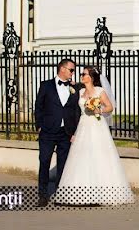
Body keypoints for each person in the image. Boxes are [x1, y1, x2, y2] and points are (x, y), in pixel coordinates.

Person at [54, 66, 135, 205]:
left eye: (84, 74)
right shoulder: (79, 92)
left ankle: (101, 193)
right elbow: (73, 111)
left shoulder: (99, 91)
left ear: (91, 77)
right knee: (81, 157)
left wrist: (99, 109)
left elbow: (110, 106)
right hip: (83, 126)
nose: (81, 76)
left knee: (99, 156)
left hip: (97, 126)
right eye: (81, 74)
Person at [34, 58, 81, 206]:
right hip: (47, 131)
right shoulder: (46, 85)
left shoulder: (75, 89)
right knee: (44, 161)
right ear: (62, 69)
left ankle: (60, 195)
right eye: (71, 70)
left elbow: (76, 110)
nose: (73, 73)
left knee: (63, 164)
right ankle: (43, 195)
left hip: (65, 132)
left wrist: (74, 131)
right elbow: (38, 107)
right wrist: (39, 126)